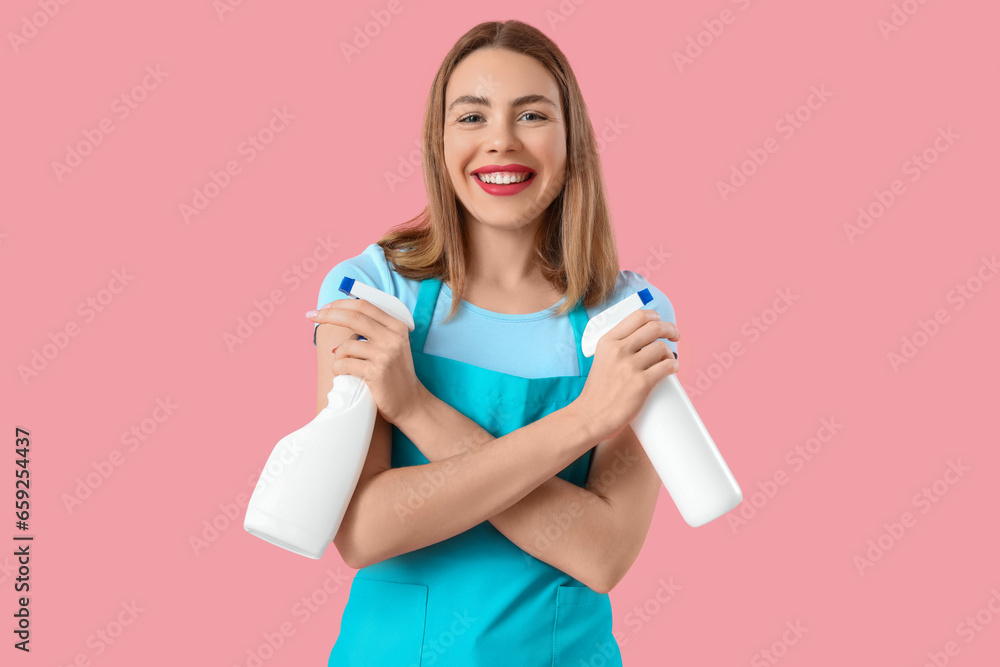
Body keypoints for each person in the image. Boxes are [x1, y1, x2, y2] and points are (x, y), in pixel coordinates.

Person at [306, 19, 680, 666]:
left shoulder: (627, 313)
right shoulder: (368, 290)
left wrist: (416, 408)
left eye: (532, 114)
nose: (501, 142)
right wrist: (586, 421)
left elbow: (602, 552)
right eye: (472, 117)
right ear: (439, 141)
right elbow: (362, 529)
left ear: (573, 142)